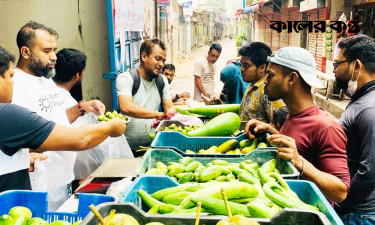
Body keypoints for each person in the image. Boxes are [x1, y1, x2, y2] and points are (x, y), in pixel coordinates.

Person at [0, 46, 125, 194]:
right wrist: (111, 127)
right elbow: (80, 139)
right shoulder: (7, 114)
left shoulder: (47, 82)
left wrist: (20, 157)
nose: (13, 82)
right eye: (10, 76)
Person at [11, 21, 106, 210]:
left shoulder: (45, 78)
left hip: (61, 179)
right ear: (26, 52)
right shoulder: (14, 85)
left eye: (54, 50)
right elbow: (20, 139)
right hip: (39, 184)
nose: (54, 57)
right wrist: (89, 135)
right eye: (47, 51)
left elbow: (56, 118)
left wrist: (82, 108)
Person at [245, 47, 350, 203]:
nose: (265, 80)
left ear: (292, 78)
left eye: (270, 75)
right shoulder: (292, 116)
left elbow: (340, 192)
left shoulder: (326, 127)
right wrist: (271, 131)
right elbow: (299, 145)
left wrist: (300, 162)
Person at [53, 48, 133, 190]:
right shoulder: (62, 98)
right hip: (66, 173)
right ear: (78, 75)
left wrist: (83, 106)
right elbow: (79, 140)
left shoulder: (52, 92)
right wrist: (107, 128)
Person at [333, 35, 375, 224]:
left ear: (356, 65)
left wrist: (342, 203)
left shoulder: (369, 108)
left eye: (337, 64)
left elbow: (370, 171)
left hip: (359, 214)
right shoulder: (362, 99)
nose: (334, 71)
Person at [116, 38, 176, 153]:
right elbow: (126, 107)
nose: (161, 64)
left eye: (163, 61)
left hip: (154, 147)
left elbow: (169, 107)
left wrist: (176, 114)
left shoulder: (162, 80)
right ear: (144, 57)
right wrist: (158, 114)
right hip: (127, 149)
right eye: (158, 59)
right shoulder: (126, 78)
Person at [238, 42, 285, 122]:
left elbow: (280, 125)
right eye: (241, 64)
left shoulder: (267, 90)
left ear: (262, 68)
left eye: (246, 65)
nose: (241, 69)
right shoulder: (252, 84)